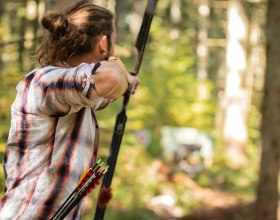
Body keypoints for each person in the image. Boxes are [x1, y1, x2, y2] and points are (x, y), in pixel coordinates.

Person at [0, 1, 139, 219]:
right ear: (104, 43)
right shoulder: (43, 83)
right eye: (114, 44)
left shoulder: (76, 98)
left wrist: (129, 82)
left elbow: (102, 96)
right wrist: (122, 74)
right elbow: (111, 79)